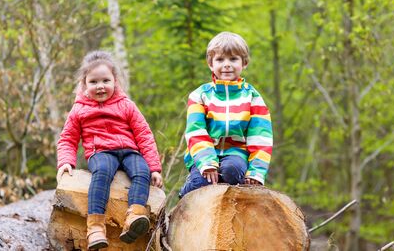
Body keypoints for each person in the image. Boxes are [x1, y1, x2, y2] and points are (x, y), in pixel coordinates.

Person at [56, 51, 163, 250]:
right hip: (101, 152)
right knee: (102, 172)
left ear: (115, 81)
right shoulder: (79, 109)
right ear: (84, 84)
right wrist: (65, 162)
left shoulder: (126, 105)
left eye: (106, 80)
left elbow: (144, 135)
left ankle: (135, 216)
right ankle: (95, 227)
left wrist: (154, 167)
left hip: (130, 150)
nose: (100, 86)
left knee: (142, 172)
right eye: (94, 82)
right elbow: (68, 138)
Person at [179, 31, 273, 198]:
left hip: (236, 153)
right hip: (204, 155)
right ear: (210, 64)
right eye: (220, 60)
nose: (227, 64)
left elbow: (261, 138)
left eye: (233, 59)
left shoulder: (252, 97)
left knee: (232, 171)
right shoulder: (200, 95)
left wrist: (256, 172)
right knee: (201, 182)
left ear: (244, 63)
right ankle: (182, 199)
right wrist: (207, 163)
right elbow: (196, 131)